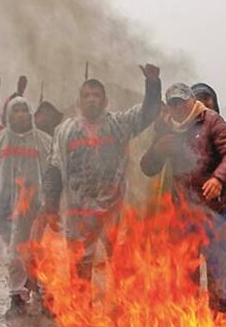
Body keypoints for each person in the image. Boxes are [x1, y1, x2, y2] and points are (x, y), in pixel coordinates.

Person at [140, 83, 226, 327]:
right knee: (186, 276)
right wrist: (159, 149)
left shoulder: (210, 121)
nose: (177, 107)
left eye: (181, 101)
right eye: (172, 103)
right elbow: (148, 167)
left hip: (215, 211)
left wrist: (218, 178)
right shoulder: (166, 127)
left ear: (191, 101)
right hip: (184, 215)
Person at [46, 66, 162, 281]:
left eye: (97, 95)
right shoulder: (65, 131)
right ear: (79, 101)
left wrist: (153, 84)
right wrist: (51, 207)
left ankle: (119, 309)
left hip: (114, 208)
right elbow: (53, 168)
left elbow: (148, 113)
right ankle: (82, 311)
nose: (92, 100)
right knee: (80, 265)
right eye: (86, 95)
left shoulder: (118, 124)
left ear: (105, 101)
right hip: (78, 211)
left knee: (119, 262)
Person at [0, 97, 56, 317]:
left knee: (42, 252)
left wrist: (53, 203)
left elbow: (54, 173)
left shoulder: (44, 141)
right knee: (14, 255)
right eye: (16, 110)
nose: (20, 114)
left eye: (24, 110)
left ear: (31, 114)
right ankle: (17, 297)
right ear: (8, 115)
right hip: (7, 210)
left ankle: (45, 294)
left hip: (37, 210)